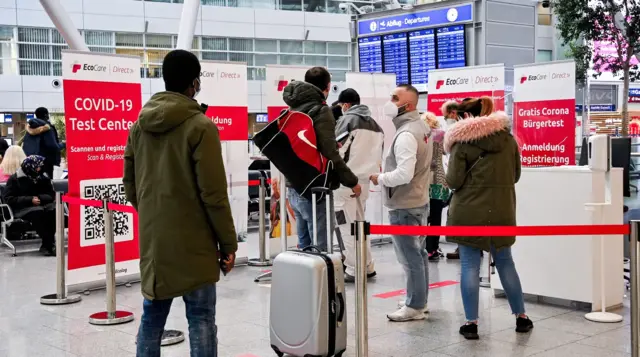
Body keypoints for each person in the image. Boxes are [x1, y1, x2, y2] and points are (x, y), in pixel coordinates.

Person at [124, 49, 238, 357]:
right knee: (201, 318)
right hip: (196, 243)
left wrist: (154, 216)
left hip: (155, 243)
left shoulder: (138, 126)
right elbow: (213, 195)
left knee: (151, 319)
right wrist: (228, 244)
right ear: (195, 83)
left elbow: (130, 185)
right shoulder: (201, 126)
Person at [443, 96, 533, 340]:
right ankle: (521, 318)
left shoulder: (461, 144)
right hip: (502, 210)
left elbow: (453, 182)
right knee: (505, 262)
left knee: (469, 266)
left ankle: (471, 324)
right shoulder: (508, 140)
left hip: (468, 212)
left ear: (464, 118)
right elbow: (515, 176)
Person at [370, 84, 433, 322]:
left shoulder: (406, 134)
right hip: (418, 200)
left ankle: (415, 305)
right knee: (419, 255)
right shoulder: (420, 127)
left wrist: (379, 178)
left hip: (405, 204)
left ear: (409, 105)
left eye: (395, 98)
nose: (390, 102)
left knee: (410, 257)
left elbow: (404, 174)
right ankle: (419, 299)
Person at [282, 67, 361, 252]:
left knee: (305, 246)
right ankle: (322, 282)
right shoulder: (321, 110)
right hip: (315, 187)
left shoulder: (292, 107)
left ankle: (306, 281)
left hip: (294, 185)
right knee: (321, 249)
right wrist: (352, 181)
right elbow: (330, 154)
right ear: (328, 86)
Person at [334, 88, 384, 282]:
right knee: (361, 226)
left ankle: (354, 269)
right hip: (364, 183)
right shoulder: (376, 125)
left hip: (346, 182)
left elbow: (337, 153)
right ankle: (368, 265)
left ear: (345, 104)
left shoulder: (347, 121)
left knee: (346, 227)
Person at [3, 155, 56, 256]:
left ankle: (47, 245)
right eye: (37, 167)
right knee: (38, 214)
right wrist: (29, 200)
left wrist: (39, 198)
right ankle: (49, 245)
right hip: (23, 208)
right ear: (30, 167)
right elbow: (9, 198)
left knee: (53, 211)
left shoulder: (42, 177)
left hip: (43, 205)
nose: (39, 169)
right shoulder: (15, 179)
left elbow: (51, 194)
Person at [422, 112, 449, 262]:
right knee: (436, 215)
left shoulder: (421, 135)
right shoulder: (441, 134)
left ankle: (424, 247)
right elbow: (446, 151)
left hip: (424, 179)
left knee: (423, 215)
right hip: (438, 178)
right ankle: (433, 248)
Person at [22, 107, 65, 179]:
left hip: (32, 161)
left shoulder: (30, 128)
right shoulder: (48, 128)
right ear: (46, 115)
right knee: (46, 184)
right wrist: (63, 144)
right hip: (46, 162)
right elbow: (53, 146)